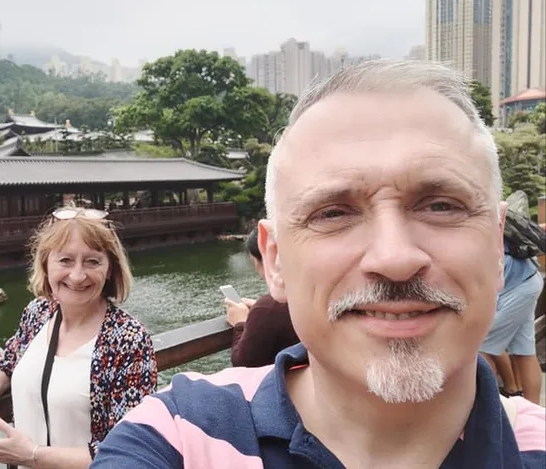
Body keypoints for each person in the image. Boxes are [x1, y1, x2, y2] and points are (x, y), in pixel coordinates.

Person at [90, 60, 546, 468]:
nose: (394, 259)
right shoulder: (180, 436)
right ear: (274, 260)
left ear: (496, 244)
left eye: (442, 206)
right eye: (332, 213)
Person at [0, 205, 157, 468]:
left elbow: (129, 450)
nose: (77, 275)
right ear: (46, 263)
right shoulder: (39, 313)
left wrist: (32, 455)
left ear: (109, 269)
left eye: (93, 261)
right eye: (65, 260)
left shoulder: (128, 340)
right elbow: (9, 357)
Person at [225, 227, 300, 367]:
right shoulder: (302, 293)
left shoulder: (267, 308)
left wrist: (240, 322)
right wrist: (258, 312)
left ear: (266, 258)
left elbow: (243, 363)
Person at [480, 240, 544, 404]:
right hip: (528, 280)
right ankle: (533, 410)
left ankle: (488, 406)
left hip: (515, 286)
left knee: (479, 346)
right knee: (525, 352)